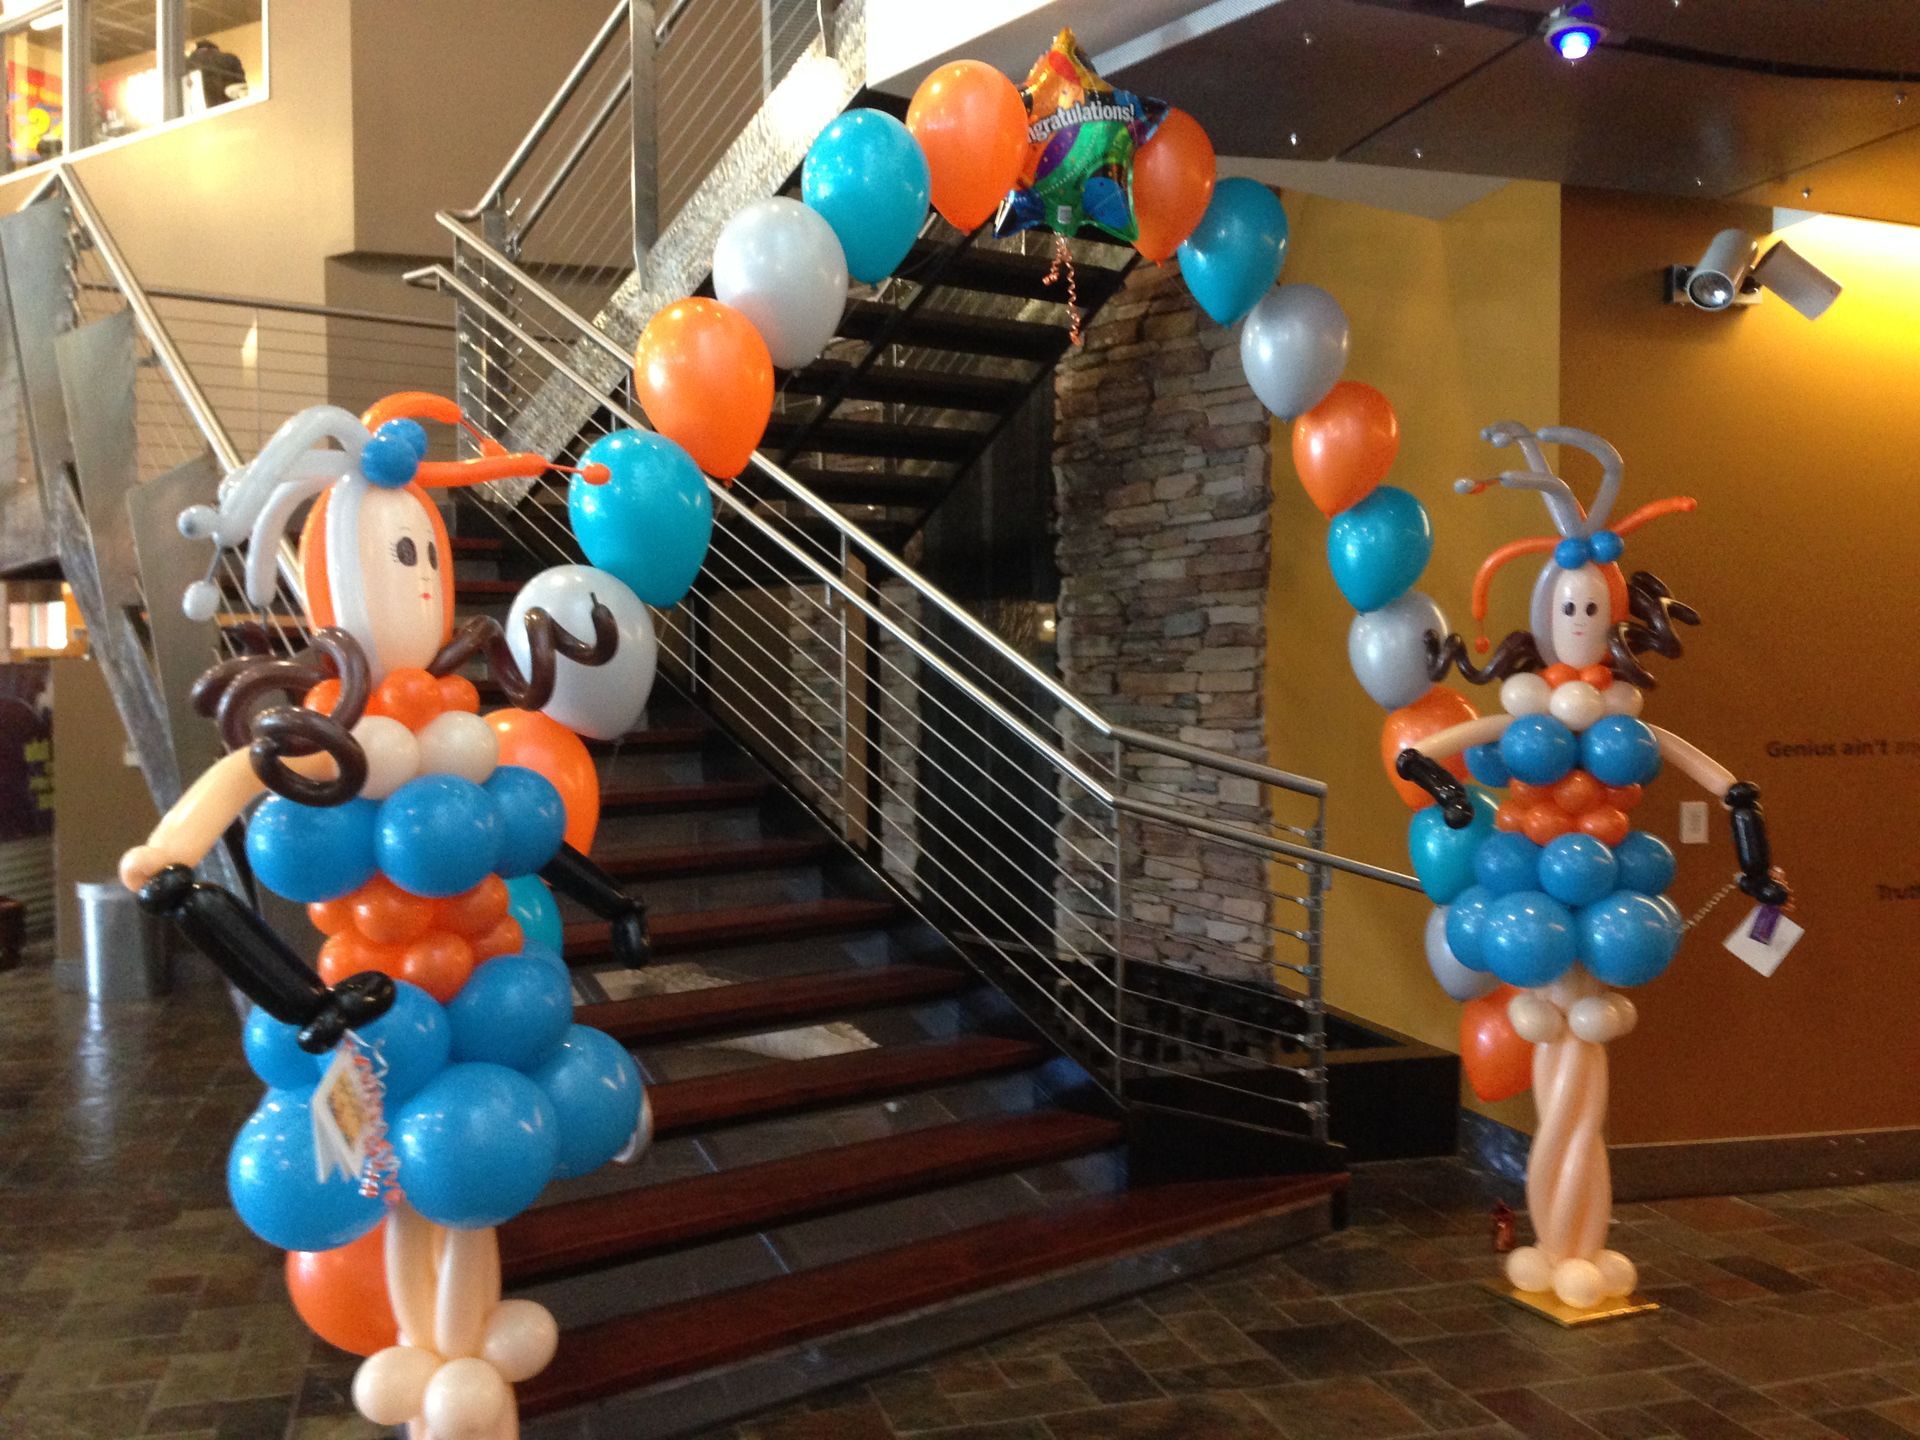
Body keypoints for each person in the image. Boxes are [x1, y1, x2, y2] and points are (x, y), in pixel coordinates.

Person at [185, 38, 246, 108]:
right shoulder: (231, 58)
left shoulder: (190, 62)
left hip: (206, 106)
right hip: (231, 104)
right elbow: (241, 83)